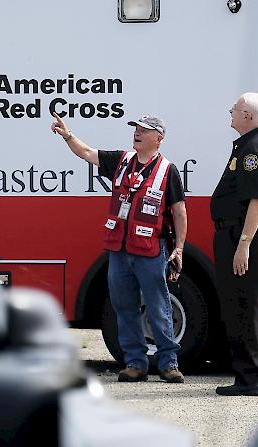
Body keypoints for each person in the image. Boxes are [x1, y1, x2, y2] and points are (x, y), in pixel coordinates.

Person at [50, 112, 187, 383]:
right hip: (119, 251)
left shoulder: (166, 170)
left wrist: (178, 248)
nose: (137, 133)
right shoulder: (122, 161)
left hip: (149, 249)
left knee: (159, 307)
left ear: (158, 138)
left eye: (144, 130)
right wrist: (67, 135)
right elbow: (88, 153)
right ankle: (135, 364)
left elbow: (179, 212)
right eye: (135, 128)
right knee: (124, 306)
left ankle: (169, 363)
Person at [211, 92, 258, 397]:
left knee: (242, 308)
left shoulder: (254, 149)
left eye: (236, 108)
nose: (230, 110)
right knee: (253, 310)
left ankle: (249, 379)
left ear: (248, 115)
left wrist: (243, 243)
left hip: (247, 236)